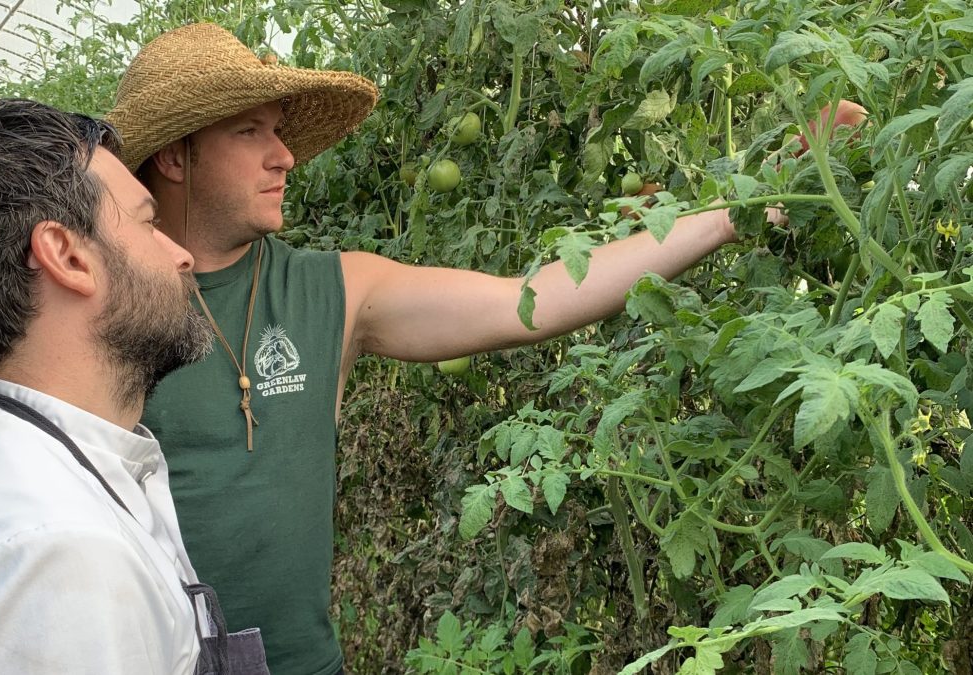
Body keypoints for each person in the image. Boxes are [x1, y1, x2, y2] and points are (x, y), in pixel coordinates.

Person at [105, 23, 803, 675]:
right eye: (250, 131)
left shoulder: (335, 291)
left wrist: (733, 213)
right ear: (175, 154)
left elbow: (533, 300)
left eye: (280, 131)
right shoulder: (106, 308)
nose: (283, 154)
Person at [0, 99, 269, 674]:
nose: (182, 255)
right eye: (149, 223)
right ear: (67, 256)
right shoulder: (62, 560)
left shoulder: (23, 463)